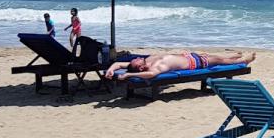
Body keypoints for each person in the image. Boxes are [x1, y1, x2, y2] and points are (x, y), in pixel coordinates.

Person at [104, 50, 256, 80]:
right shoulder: (154, 68)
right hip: (197, 62)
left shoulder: (147, 61)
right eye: (135, 61)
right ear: (140, 68)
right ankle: (244, 60)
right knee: (224, 62)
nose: (136, 57)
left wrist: (110, 71)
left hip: (190, 56)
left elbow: (118, 63)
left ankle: (232, 56)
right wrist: (129, 74)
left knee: (219, 58)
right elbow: (150, 75)